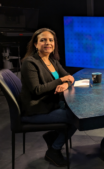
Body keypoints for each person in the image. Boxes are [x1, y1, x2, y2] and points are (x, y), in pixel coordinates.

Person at [19, 28, 77, 167]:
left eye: (51, 40)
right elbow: (37, 90)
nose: (48, 43)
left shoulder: (52, 61)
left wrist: (65, 84)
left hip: (51, 104)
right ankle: (54, 149)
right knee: (76, 118)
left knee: (75, 112)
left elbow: (69, 77)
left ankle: (53, 136)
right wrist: (60, 80)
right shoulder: (30, 63)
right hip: (36, 110)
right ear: (35, 44)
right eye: (43, 40)